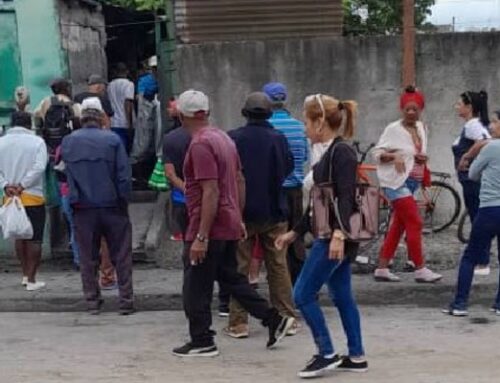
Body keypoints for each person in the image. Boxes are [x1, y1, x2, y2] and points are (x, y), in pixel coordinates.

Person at [172, 89, 295, 358]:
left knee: (196, 285)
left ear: (182, 115)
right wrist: (237, 217)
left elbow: (210, 190)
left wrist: (201, 236)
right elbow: (239, 179)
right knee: (231, 278)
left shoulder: (202, 144)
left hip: (209, 223)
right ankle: (273, 318)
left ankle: (202, 339)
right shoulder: (222, 138)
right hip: (228, 219)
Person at [275, 94, 368, 378]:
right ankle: (356, 355)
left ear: (319, 122)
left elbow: (346, 196)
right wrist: (295, 232)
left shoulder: (341, 153)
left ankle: (326, 352)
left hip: (333, 237)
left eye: (306, 120)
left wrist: (339, 234)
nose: (303, 127)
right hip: (330, 234)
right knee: (342, 296)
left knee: (302, 294)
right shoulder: (328, 152)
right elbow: (318, 201)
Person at [225, 92, 297, 339]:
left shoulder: (233, 138)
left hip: (242, 213)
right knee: (278, 266)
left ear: (245, 113)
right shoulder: (278, 138)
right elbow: (288, 168)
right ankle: (287, 316)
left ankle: (238, 322)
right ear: (269, 113)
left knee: (240, 268)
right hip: (274, 211)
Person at [61, 97, 134, 315]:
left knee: (87, 257)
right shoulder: (112, 141)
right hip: (112, 205)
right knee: (121, 254)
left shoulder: (69, 142)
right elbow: (123, 176)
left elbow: (65, 175)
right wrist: (123, 200)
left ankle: (92, 301)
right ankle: (126, 301)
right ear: (102, 117)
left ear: (81, 118)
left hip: (82, 207)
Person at [162, 102, 230, 316]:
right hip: (214, 204)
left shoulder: (171, 139)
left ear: (182, 115)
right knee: (221, 256)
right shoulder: (221, 138)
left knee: (192, 255)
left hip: (184, 203)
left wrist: (189, 191)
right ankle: (224, 303)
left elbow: (170, 173)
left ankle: (196, 306)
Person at [372, 87, 442, 283]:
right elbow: (377, 154)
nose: (411, 112)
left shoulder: (421, 128)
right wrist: (394, 156)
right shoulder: (393, 129)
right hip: (395, 182)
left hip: (412, 182)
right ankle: (420, 268)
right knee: (415, 222)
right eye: (407, 109)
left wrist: (421, 157)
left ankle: (382, 268)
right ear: (401, 109)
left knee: (398, 225)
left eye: (415, 109)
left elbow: (416, 152)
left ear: (421, 109)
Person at [444, 110, 500, 317]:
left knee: (470, 256)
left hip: (489, 209)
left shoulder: (491, 147)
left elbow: (473, 173)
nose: (491, 126)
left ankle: (459, 304)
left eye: (495, 122)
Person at [264, 82, 309, 286]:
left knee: (273, 237)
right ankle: (299, 279)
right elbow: (306, 157)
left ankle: (279, 280)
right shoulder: (300, 127)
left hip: (272, 191)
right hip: (295, 190)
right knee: (296, 235)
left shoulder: (267, 128)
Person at [0, 112, 48, 291]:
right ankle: (32, 279)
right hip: (32, 197)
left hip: (9, 199)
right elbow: (39, 167)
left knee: (19, 236)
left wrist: (6, 186)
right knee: (35, 239)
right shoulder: (37, 142)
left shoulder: (1, 142)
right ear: (29, 124)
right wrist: (23, 185)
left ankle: (24, 275)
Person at [453, 91, 492, 276]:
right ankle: (481, 259)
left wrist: (466, 157)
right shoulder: (475, 125)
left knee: (478, 220)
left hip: (472, 179)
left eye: (459, 104)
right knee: (478, 218)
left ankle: (483, 261)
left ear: (469, 107)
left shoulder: (472, 125)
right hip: (471, 180)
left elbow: (485, 142)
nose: (456, 106)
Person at [34, 78, 81, 155]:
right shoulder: (73, 104)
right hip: (69, 144)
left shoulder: (45, 102)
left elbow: (37, 116)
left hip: (50, 144)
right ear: (66, 89)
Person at [108, 63, 134, 152]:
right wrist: (129, 122)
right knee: (124, 150)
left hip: (112, 122)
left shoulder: (110, 85)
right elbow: (128, 103)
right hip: (123, 122)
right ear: (127, 71)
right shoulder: (129, 84)